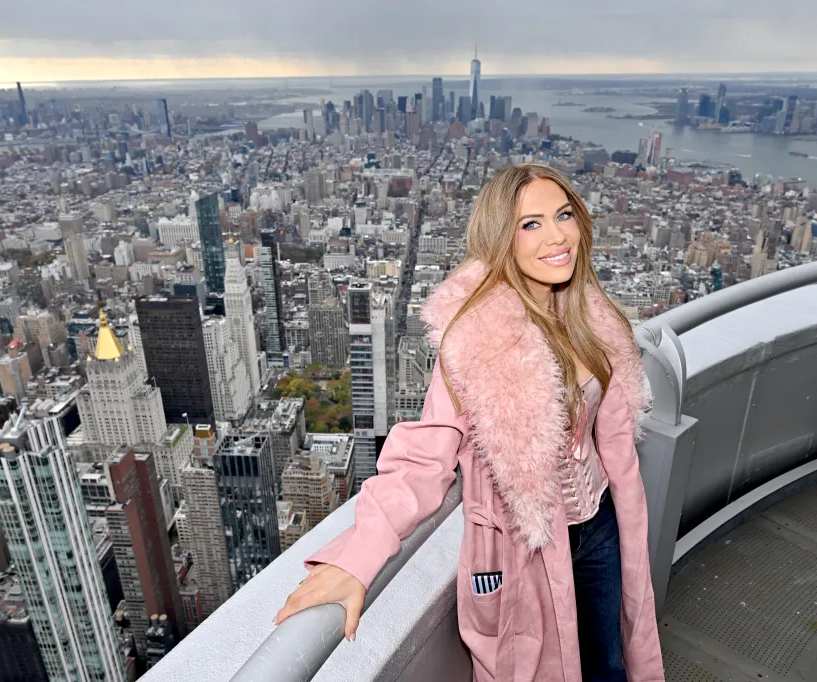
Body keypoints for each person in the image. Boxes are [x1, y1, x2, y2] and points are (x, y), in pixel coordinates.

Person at [274, 163, 664, 681]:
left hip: (599, 523)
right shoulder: (477, 342)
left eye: (564, 215)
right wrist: (356, 560)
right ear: (501, 237)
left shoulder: (593, 318)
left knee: (607, 663)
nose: (556, 235)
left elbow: (603, 433)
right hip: (527, 545)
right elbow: (421, 457)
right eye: (531, 223)